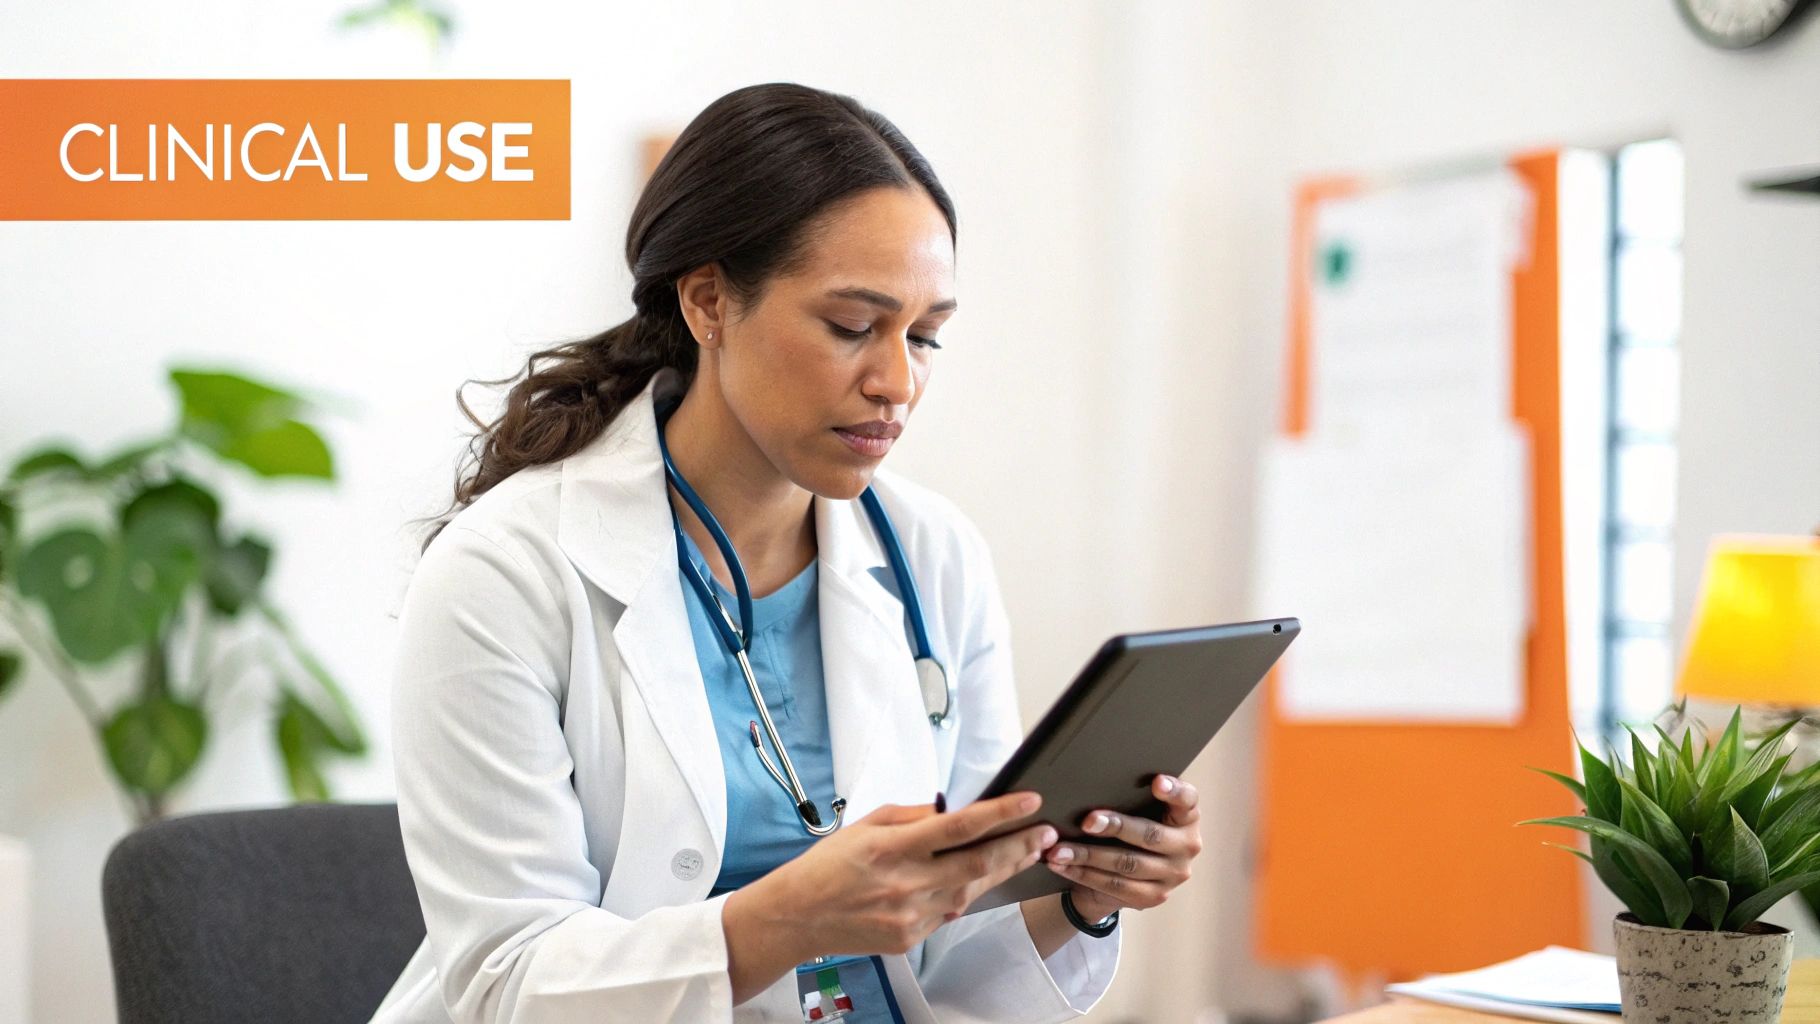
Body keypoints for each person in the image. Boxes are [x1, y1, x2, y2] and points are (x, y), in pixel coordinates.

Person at [370, 82, 1205, 1024]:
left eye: (925, 336)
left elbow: (955, 950)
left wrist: (1085, 897)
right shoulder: (504, 576)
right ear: (708, 300)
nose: (897, 382)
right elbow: (506, 983)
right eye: (853, 327)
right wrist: (786, 920)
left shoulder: (934, 558)